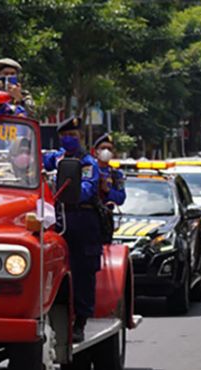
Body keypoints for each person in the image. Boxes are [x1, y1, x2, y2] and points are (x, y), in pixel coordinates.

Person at [43, 116, 100, 342]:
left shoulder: (88, 163)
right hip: (58, 217)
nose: (69, 140)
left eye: (73, 136)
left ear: (81, 138)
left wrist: (60, 186)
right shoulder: (55, 158)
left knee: (83, 272)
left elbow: (85, 189)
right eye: (65, 136)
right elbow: (27, 160)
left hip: (82, 219)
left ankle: (81, 322)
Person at [93, 133, 125, 206]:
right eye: (103, 148)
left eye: (109, 149)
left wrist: (107, 190)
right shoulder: (88, 169)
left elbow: (121, 198)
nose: (106, 151)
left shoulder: (116, 174)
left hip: (106, 213)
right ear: (95, 152)